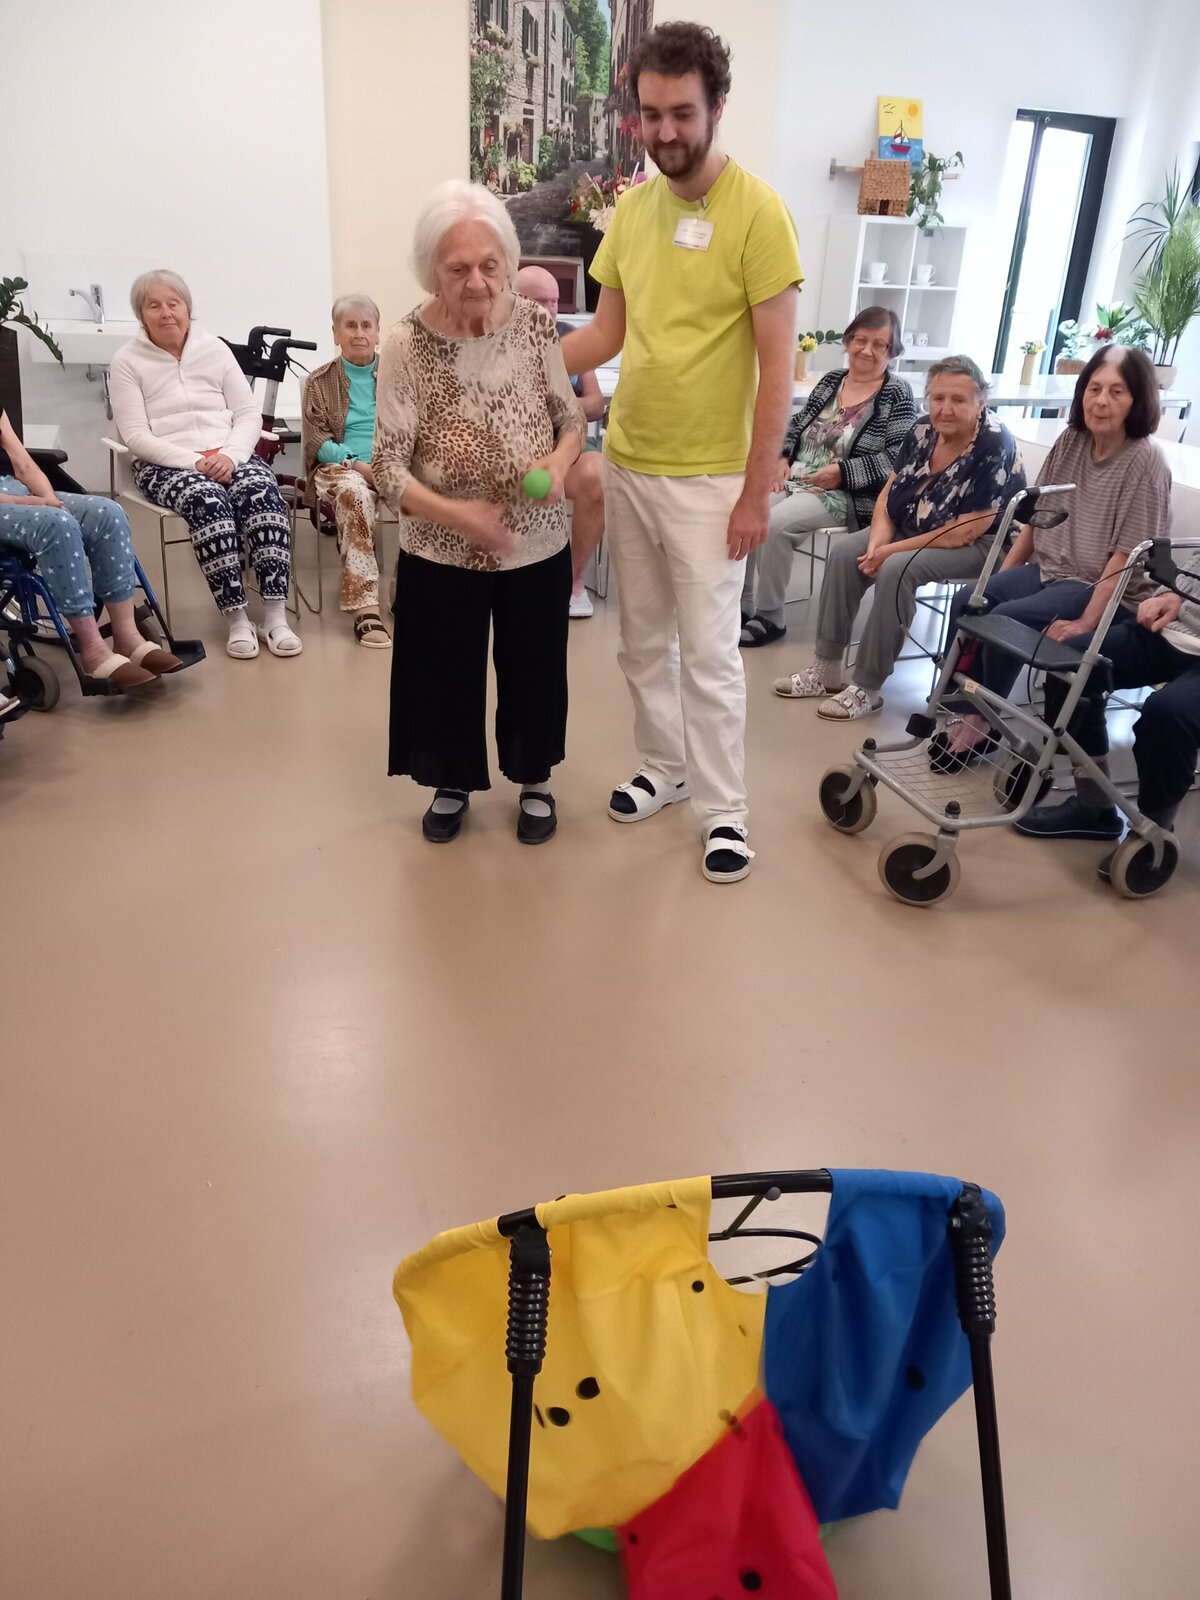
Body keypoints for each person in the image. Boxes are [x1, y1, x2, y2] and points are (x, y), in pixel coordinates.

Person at [561, 22, 802, 883]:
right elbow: (604, 335)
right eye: (651, 114)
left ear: (717, 106)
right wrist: (514, 356)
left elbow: (779, 368)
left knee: (707, 655)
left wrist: (756, 492)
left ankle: (724, 810)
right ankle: (664, 767)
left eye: (682, 114)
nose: (664, 132)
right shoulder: (632, 209)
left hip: (711, 480)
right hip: (629, 462)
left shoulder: (760, 214)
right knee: (641, 642)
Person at [374, 180, 585, 845]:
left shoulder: (535, 325)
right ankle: (451, 779)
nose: (477, 282)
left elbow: (571, 420)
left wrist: (558, 465)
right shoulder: (405, 343)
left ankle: (535, 778)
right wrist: (461, 517)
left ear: (508, 260)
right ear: (431, 270)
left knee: (535, 666)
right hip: (441, 547)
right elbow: (387, 468)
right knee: (445, 669)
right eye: (458, 268)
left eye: (490, 265)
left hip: (536, 541)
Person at [933, 345, 1171, 769]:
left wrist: (1086, 622)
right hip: (1053, 571)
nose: (1101, 401)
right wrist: (994, 582)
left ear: (1138, 400)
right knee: (971, 600)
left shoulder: (1146, 461)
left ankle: (982, 722)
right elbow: (1035, 520)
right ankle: (963, 704)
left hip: (1102, 586)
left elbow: (1126, 557)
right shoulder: (1072, 440)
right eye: (1094, 389)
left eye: (1116, 391)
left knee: (1007, 619)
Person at [776, 356, 1026, 719]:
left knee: (897, 568)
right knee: (846, 553)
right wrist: (877, 542)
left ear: (981, 401)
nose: (945, 408)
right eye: (938, 398)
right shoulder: (922, 430)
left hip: (982, 544)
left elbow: (965, 531)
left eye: (958, 399)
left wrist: (890, 551)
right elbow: (888, 493)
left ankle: (867, 687)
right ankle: (826, 669)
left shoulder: (993, 442)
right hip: (916, 525)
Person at [109, 270, 301, 660]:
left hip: (229, 454)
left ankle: (275, 616)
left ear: (188, 308)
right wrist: (197, 462)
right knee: (208, 502)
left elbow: (247, 414)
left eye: (173, 303)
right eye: (154, 305)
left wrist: (230, 455)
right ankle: (237, 619)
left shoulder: (213, 349)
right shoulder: (126, 360)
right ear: (141, 314)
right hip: (165, 463)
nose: (166, 313)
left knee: (263, 494)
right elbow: (136, 436)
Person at [740, 307, 915, 647]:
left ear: (892, 352)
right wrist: (782, 457)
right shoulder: (833, 380)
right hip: (798, 476)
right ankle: (741, 604)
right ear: (848, 342)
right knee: (748, 511)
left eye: (879, 344)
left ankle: (770, 616)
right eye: (860, 340)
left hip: (846, 492)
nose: (867, 350)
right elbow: (796, 423)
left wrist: (843, 473)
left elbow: (899, 458)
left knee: (775, 524)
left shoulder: (897, 393)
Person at [1013, 548, 1199, 862]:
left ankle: (1154, 833)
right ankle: (1094, 806)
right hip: (1173, 631)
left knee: (1169, 714)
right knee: (1071, 662)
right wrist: (1170, 594)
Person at [0, 408, 180, 687]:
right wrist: (32, 504)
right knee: (56, 525)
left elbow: (23, 464)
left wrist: (49, 498)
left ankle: (127, 636)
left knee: (107, 513)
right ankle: (93, 650)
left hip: (15, 490)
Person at [513, 265, 607, 618]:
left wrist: (558, 405)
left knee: (599, 474)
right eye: (542, 301)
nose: (551, 310)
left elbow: (595, 404)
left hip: (568, 455)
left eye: (554, 301)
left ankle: (572, 580)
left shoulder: (571, 337)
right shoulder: (496, 341)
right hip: (515, 457)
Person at [301, 293, 390, 647]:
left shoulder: (398, 375)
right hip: (341, 466)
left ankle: (409, 596)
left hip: (392, 462)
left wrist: (391, 465)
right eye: (350, 326)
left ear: (378, 332)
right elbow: (317, 441)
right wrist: (360, 466)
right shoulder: (320, 381)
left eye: (366, 325)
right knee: (355, 494)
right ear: (336, 333)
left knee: (428, 499)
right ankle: (365, 608)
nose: (359, 333)